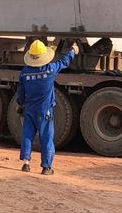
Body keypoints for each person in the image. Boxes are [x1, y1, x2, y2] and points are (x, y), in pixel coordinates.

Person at [16, 39, 78, 175]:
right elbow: (64, 62)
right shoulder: (50, 70)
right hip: (45, 112)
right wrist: (73, 51)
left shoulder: (24, 72)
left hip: (29, 110)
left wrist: (20, 105)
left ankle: (26, 163)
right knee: (46, 138)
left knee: (27, 135)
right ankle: (46, 167)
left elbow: (21, 94)